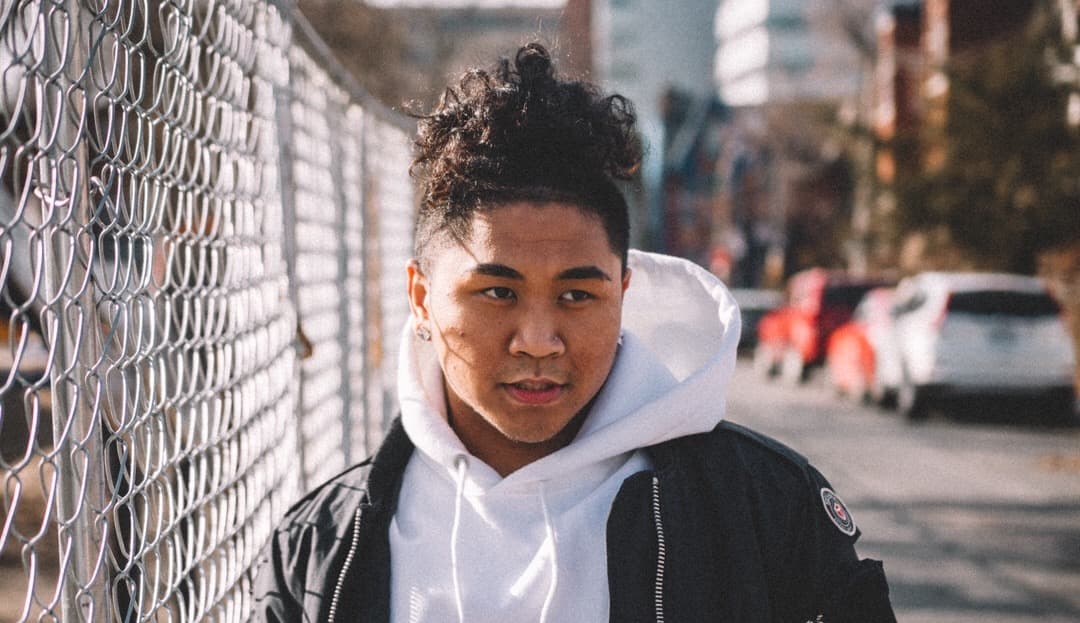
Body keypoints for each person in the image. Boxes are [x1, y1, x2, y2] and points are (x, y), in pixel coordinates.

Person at [251, 43, 896, 623]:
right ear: (421, 297)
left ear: (622, 295)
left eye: (577, 295)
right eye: (497, 292)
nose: (537, 340)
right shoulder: (321, 549)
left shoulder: (763, 511)